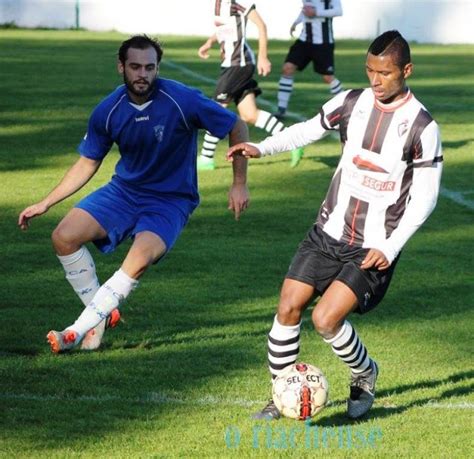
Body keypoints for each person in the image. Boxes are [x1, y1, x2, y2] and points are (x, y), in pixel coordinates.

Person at [227, 30, 443, 419]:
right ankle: (282, 393)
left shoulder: (422, 126)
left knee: (325, 319)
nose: (375, 81)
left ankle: (365, 373)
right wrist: (261, 148)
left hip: (373, 247)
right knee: (288, 306)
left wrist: (390, 248)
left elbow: (425, 198)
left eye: (385, 73)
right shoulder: (352, 101)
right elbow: (310, 128)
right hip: (327, 231)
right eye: (369, 71)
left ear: (406, 70)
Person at [18, 34, 250, 353]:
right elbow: (88, 162)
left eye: (149, 67)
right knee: (63, 236)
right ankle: (98, 316)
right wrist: (46, 202)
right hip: (124, 192)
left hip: (170, 200)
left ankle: (74, 332)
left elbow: (236, 126)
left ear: (157, 68)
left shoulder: (182, 100)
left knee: (138, 259)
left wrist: (239, 182)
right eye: (135, 67)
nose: (143, 74)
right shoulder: (108, 110)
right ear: (121, 67)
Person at [196, 0, 304, 170]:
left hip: (238, 64)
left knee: (215, 109)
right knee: (250, 114)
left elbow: (261, 25)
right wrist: (210, 42)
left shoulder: (237, 1)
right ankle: (293, 142)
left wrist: (263, 56)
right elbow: (225, 29)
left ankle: (206, 158)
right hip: (231, 64)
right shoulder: (219, 3)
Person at [275, 0, 344, 119]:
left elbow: (339, 11)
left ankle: (347, 105)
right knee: (288, 68)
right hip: (304, 41)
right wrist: (296, 22)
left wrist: (316, 12)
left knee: (328, 77)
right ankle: (281, 110)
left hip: (323, 43)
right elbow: (306, 10)